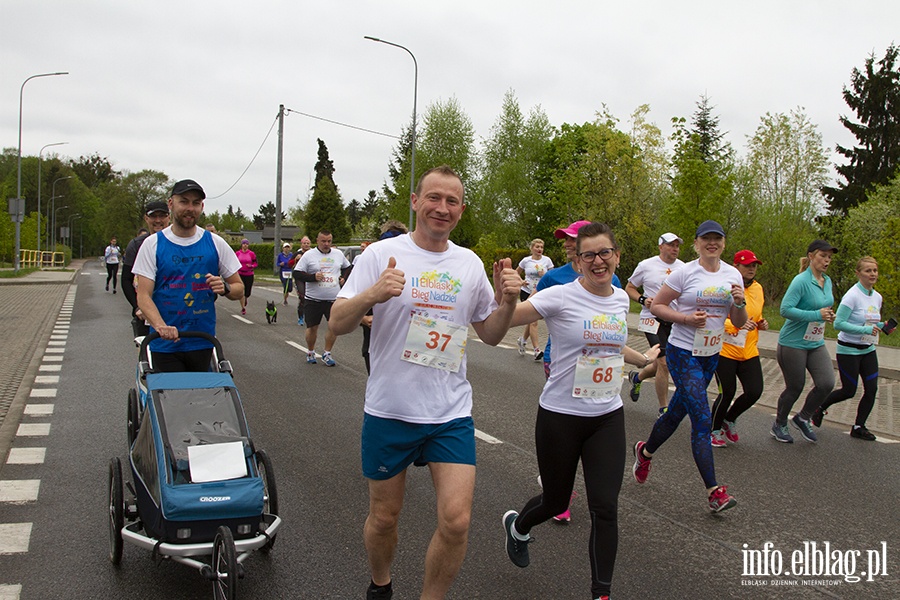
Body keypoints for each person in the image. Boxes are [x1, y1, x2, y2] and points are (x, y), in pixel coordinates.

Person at [330, 165, 520, 600]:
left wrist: (509, 303)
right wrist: (372, 295)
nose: (442, 207)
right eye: (433, 197)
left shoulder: (468, 263)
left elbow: (490, 334)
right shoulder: (381, 255)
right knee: (384, 517)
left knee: (456, 521)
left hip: (449, 412)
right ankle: (381, 585)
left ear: (461, 211)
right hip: (390, 409)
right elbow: (338, 322)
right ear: (415, 201)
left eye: (452, 201)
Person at [502, 222, 658, 600]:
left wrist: (642, 358)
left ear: (617, 256)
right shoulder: (558, 297)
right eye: (588, 254)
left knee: (605, 507)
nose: (597, 260)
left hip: (607, 415)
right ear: (578, 260)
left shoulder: (621, 298)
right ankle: (518, 526)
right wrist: (504, 296)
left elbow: (611, 343)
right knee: (556, 500)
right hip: (560, 416)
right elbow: (505, 319)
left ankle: (601, 593)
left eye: (605, 252)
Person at [631, 220, 746, 513]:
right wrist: (684, 318)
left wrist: (740, 303)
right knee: (702, 418)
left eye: (717, 239)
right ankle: (714, 492)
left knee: (676, 414)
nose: (712, 243)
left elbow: (740, 320)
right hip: (683, 352)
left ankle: (645, 452)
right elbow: (657, 306)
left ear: (723, 243)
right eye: (706, 238)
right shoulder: (685, 272)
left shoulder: (733, 274)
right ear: (696, 243)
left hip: (711, 353)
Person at [133, 179, 243, 372]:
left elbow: (239, 288)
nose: (190, 208)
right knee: (171, 401)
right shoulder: (152, 245)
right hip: (164, 344)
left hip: (202, 341)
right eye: (184, 201)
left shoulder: (215, 243)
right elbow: (143, 296)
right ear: (171, 204)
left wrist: (225, 288)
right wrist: (160, 326)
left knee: (203, 400)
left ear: (202, 207)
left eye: (195, 203)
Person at [770, 240, 837, 444]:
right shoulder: (800, 281)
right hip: (793, 342)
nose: (826, 261)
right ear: (810, 256)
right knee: (795, 386)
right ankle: (779, 423)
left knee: (827, 383)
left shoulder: (827, 281)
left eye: (829, 257)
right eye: (822, 256)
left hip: (815, 342)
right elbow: (785, 310)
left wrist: (829, 315)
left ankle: (803, 417)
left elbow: (824, 306)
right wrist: (816, 313)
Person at [537, 220, 623, 379]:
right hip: (560, 359)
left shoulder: (612, 280)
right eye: (566, 240)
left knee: (601, 402)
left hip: (602, 362)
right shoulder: (553, 276)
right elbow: (529, 306)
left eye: (571, 239)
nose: (566, 244)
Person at [812, 256, 885, 441]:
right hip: (848, 350)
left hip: (867, 349)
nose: (872, 274)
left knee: (872, 389)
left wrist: (883, 326)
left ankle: (859, 426)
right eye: (868, 271)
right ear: (858, 273)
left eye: (875, 270)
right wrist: (865, 329)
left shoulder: (877, 297)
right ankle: (819, 408)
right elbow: (839, 324)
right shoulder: (851, 296)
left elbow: (871, 321)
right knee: (849, 390)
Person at [709, 250, 768, 447]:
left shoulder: (758, 288)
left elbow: (755, 314)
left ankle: (729, 419)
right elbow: (715, 318)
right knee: (727, 392)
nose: (751, 269)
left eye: (754, 266)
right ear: (736, 267)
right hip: (725, 350)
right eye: (747, 265)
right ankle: (714, 430)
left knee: (754, 391)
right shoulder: (726, 287)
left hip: (749, 350)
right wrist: (736, 326)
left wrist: (761, 322)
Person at [625, 232, 685, 415]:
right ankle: (663, 408)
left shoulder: (685, 268)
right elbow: (629, 288)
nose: (675, 249)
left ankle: (638, 377)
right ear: (661, 246)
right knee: (664, 363)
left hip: (674, 319)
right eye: (671, 245)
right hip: (651, 319)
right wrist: (643, 300)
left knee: (664, 364)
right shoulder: (646, 265)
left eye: (677, 245)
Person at [295, 230, 351, 367]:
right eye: (323, 241)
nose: (326, 244)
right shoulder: (309, 255)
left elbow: (348, 267)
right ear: (317, 240)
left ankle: (327, 353)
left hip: (333, 299)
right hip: (313, 299)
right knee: (312, 328)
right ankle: (310, 351)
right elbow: (296, 273)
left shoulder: (338, 254)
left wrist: (344, 278)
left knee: (333, 327)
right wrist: (312, 277)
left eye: (329, 241)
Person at [360, 221, 408, 374]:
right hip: (379, 338)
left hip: (402, 343)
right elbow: (347, 301)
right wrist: (364, 318)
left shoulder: (372, 256)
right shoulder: (372, 258)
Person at [121, 201, 170, 337]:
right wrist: (137, 306)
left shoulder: (179, 242)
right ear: (146, 218)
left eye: (162, 216)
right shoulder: (136, 245)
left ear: (169, 217)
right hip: (144, 313)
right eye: (154, 216)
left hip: (172, 310)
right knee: (145, 353)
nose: (158, 220)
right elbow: (126, 279)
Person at [516, 238, 554, 360]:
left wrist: (546, 275)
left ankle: (522, 340)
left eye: (541, 247)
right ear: (532, 248)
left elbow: (553, 277)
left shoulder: (547, 261)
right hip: (527, 292)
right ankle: (537, 350)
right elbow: (516, 272)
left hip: (540, 293)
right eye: (537, 247)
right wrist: (521, 281)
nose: (539, 249)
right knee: (533, 321)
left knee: (531, 320)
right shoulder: (526, 261)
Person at [292, 236, 312, 324]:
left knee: (310, 298)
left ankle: (309, 315)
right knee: (302, 296)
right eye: (304, 243)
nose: (306, 245)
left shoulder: (313, 253)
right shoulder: (298, 253)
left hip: (310, 277)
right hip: (299, 277)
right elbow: (289, 264)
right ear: (301, 244)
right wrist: (295, 260)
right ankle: (301, 316)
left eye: (308, 243)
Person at [235, 239, 257, 316]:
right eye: (243, 244)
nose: (245, 245)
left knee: (247, 292)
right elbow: (234, 262)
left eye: (246, 244)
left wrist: (251, 266)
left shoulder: (251, 254)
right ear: (241, 245)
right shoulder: (237, 253)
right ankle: (243, 307)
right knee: (242, 291)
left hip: (249, 274)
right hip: (240, 274)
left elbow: (255, 263)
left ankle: (246, 298)